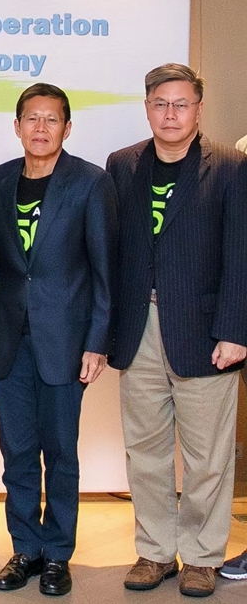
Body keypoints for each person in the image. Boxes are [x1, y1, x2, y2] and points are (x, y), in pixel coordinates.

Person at [107, 63, 247, 598]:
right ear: (147, 108)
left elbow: (241, 254)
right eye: (160, 103)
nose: (171, 114)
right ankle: (156, 552)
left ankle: (203, 557)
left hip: (207, 332)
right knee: (145, 450)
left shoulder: (231, 166)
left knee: (207, 457)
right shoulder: (123, 165)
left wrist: (235, 329)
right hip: (137, 326)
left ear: (198, 109)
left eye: (181, 104)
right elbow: (115, 250)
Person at [0, 83, 117, 596]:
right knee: (16, 452)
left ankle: (58, 553)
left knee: (60, 453)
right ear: (16, 126)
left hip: (66, 341)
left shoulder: (90, 182)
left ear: (67, 127)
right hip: (7, 341)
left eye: (52, 119)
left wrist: (97, 340)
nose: (41, 128)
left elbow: (104, 268)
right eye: (31, 119)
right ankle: (26, 549)